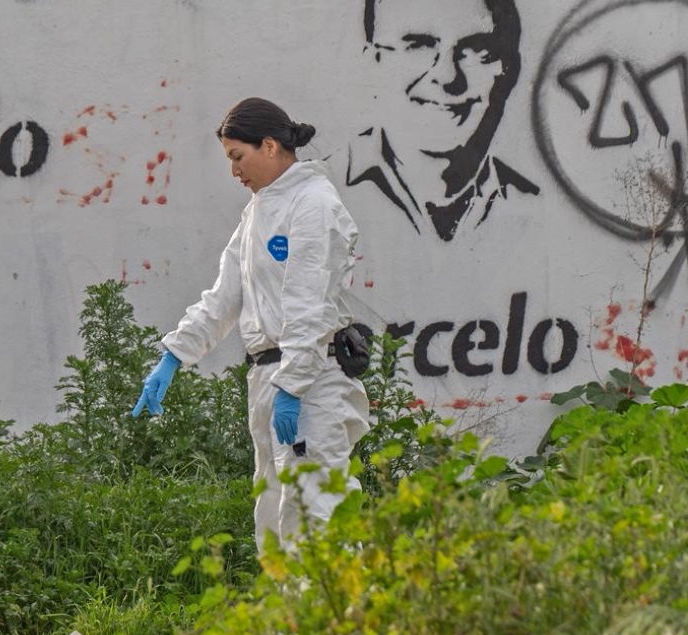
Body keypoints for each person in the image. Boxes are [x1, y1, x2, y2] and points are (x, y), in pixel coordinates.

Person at [132, 98, 371, 554]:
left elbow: (310, 303)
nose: (234, 172)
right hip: (269, 378)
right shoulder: (258, 211)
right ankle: (288, 623)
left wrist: (293, 384)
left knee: (315, 513)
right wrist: (174, 356)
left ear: (268, 146)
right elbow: (226, 295)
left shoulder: (313, 205)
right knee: (275, 517)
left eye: (237, 158)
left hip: (310, 381)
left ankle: (341, 621)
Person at [345, 0, 538, 241]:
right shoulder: (319, 188)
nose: (447, 77)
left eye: (477, 51)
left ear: (506, 70)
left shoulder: (537, 205)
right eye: (418, 46)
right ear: (373, 62)